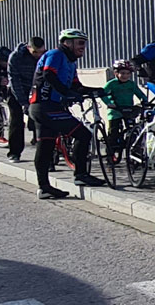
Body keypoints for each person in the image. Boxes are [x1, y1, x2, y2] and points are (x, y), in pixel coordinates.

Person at [29, 28, 101, 199]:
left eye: (85, 43)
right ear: (66, 43)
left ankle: (44, 187)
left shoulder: (70, 62)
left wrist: (96, 91)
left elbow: (75, 85)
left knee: (45, 146)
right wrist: (66, 93)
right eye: (80, 43)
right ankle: (80, 175)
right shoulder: (56, 54)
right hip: (45, 106)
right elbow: (48, 75)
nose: (83, 46)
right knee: (83, 134)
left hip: (48, 107)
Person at [99, 58, 150, 159]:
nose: (125, 76)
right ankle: (111, 154)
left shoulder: (131, 84)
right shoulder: (111, 84)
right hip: (115, 111)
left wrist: (145, 101)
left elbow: (140, 94)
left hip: (128, 110)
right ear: (116, 73)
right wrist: (109, 103)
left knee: (133, 131)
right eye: (122, 73)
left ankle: (133, 152)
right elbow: (102, 94)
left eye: (128, 73)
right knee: (113, 132)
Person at [4, 37, 45, 161]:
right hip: (18, 90)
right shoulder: (16, 57)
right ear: (28, 48)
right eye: (35, 53)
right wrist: (23, 103)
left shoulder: (45, 56)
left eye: (41, 52)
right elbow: (14, 81)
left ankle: (44, 151)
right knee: (16, 121)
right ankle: (14, 152)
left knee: (40, 119)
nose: (38, 56)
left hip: (36, 89)